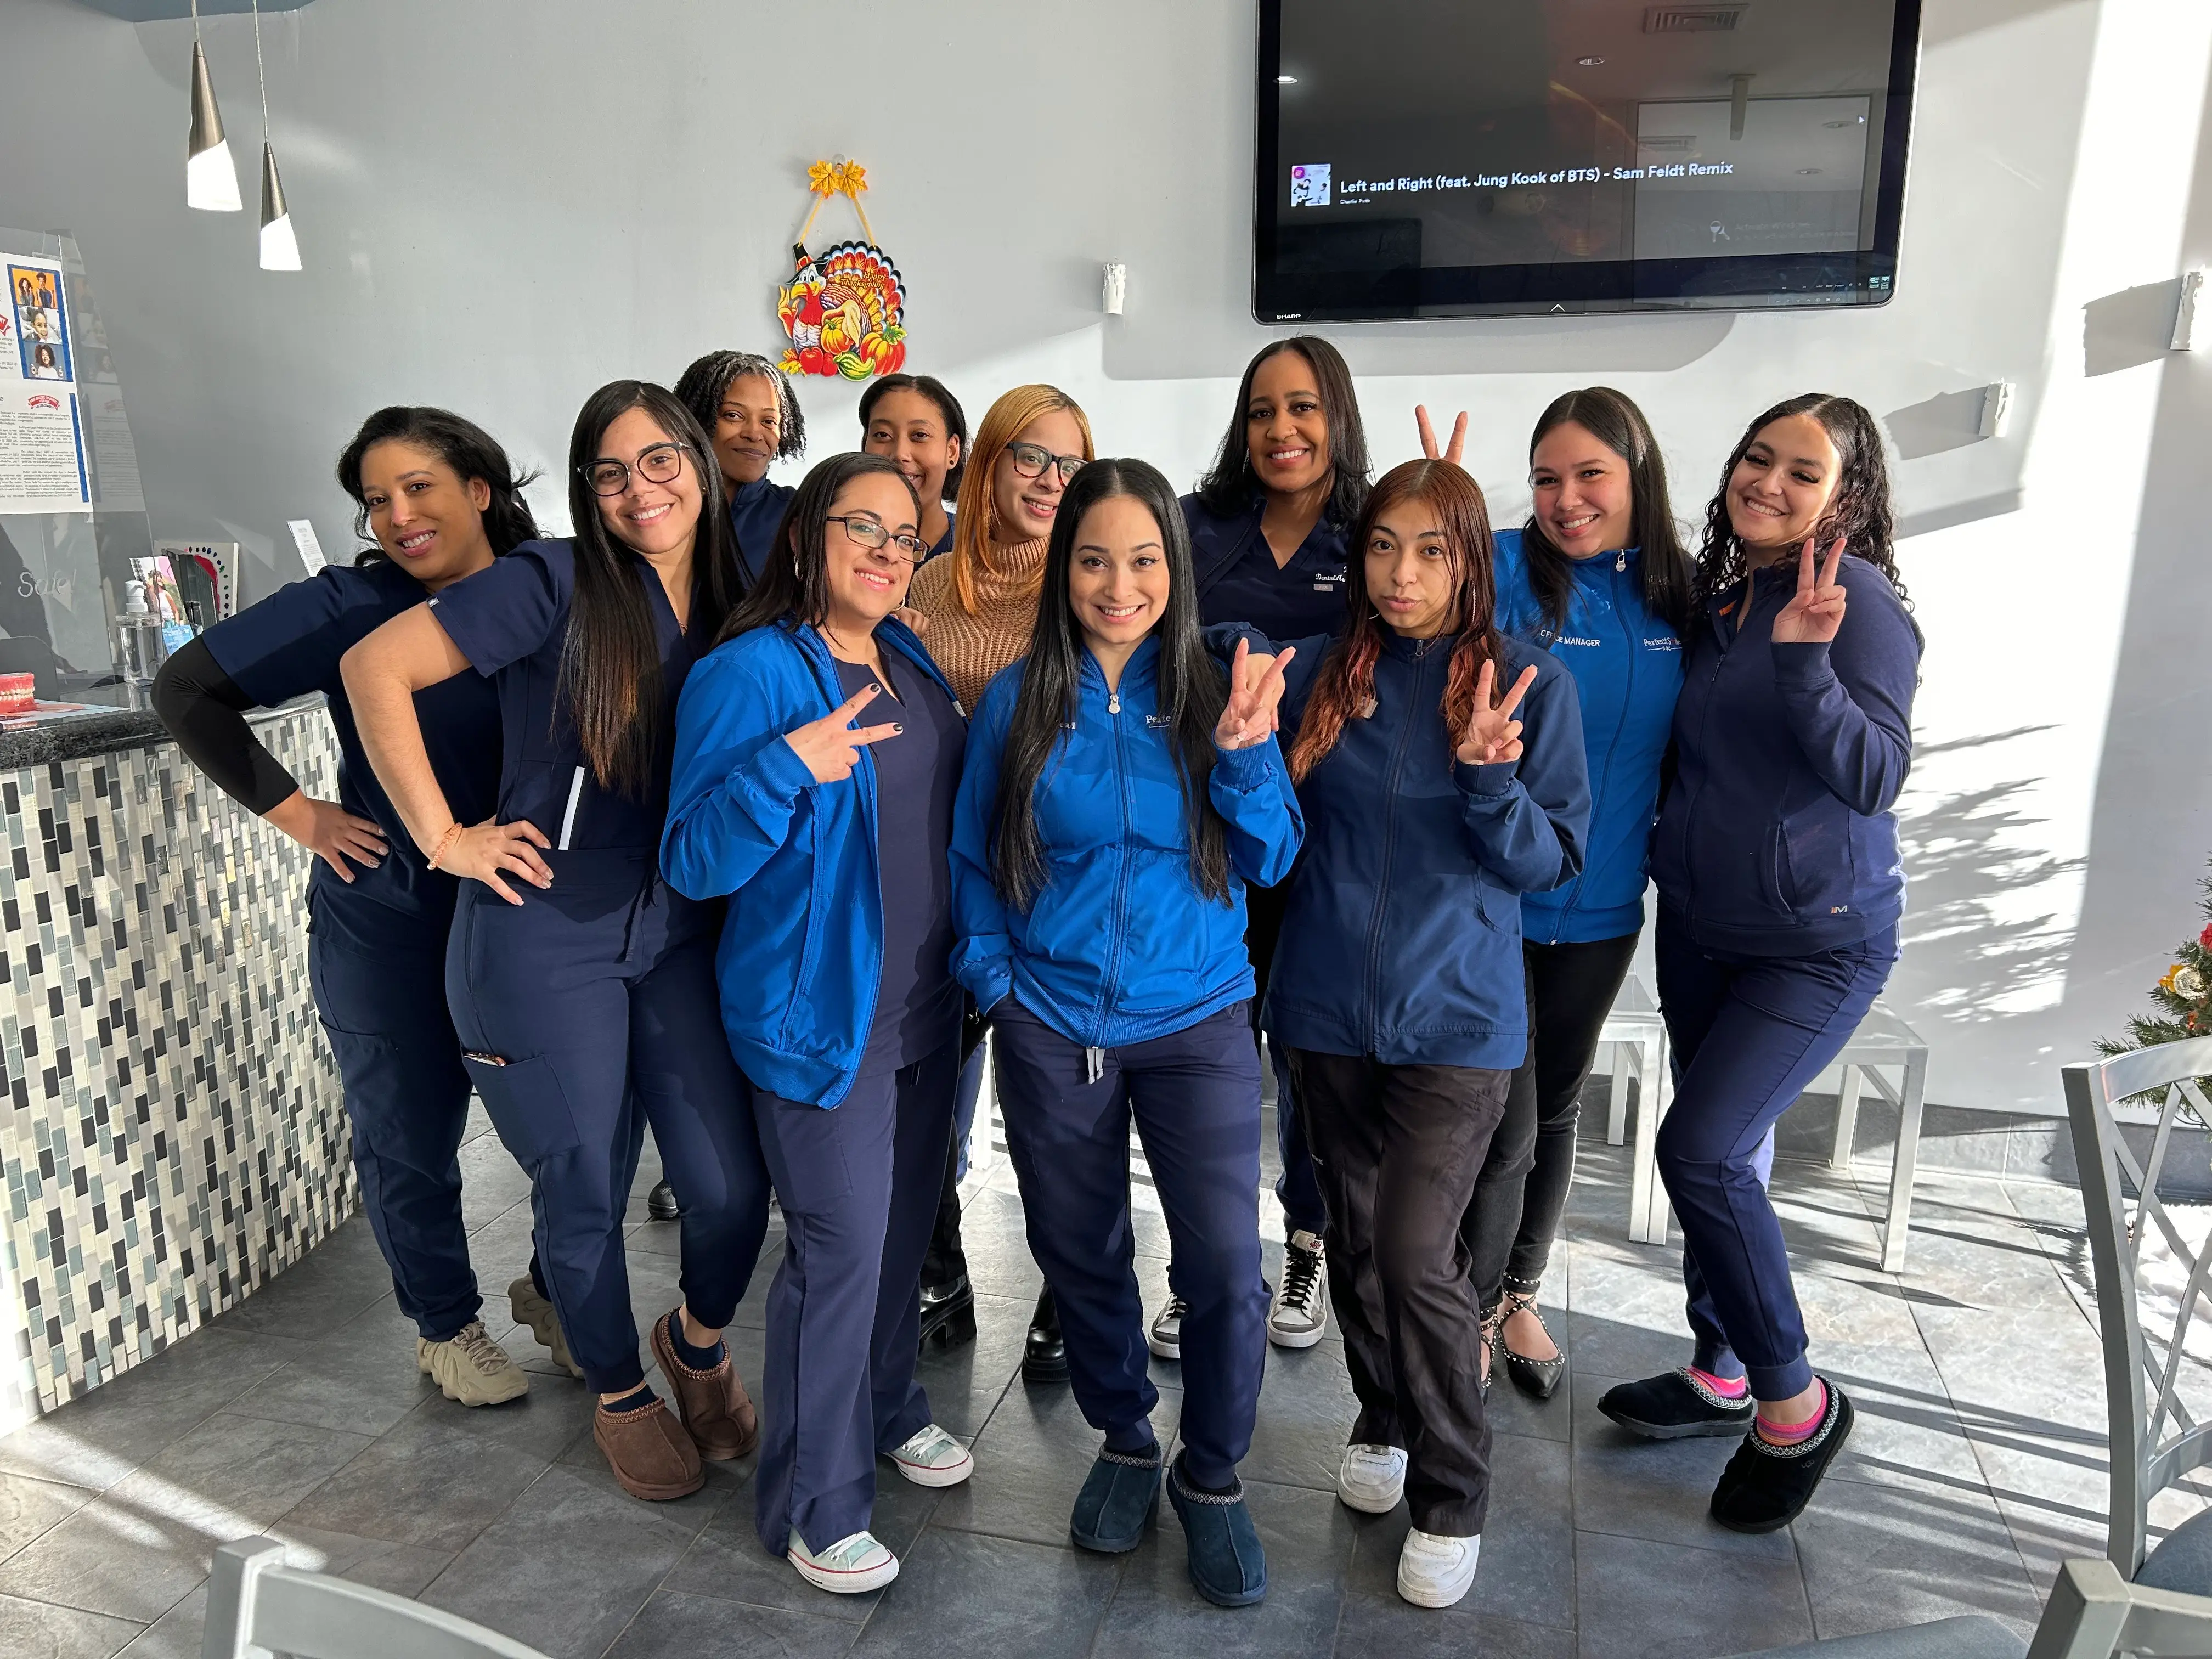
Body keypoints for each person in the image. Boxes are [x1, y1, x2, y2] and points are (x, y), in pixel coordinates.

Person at [341, 381, 772, 1503]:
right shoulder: (554, 579)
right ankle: (621, 1391)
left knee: (727, 1190)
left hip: (676, 925)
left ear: (700, 461)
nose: (640, 489)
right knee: (580, 1184)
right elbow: (372, 669)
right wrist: (443, 838)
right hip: (540, 930)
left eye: (660, 460)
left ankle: (698, 1341)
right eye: (610, 471)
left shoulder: (741, 593)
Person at [951, 458, 1300, 1607]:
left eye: (1143, 559)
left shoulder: (1216, 686)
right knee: (1080, 1250)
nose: (1118, 584)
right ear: (1065, 571)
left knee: (1225, 1271)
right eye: (1094, 559)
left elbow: (1275, 857)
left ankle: (1210, 1476)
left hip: (1196, 1016)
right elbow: (972, 858)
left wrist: (1249, 755)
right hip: (1051, 1022)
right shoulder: (1017, 698)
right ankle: (1124, 1439)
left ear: (1175, 568)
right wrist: (995, 979)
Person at [153, 406, 539, 1408]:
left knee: (569, 1124)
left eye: (419, 487)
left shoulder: (551, 584)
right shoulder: (348, 604)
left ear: (480, 489)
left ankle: (556, 1289)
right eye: (376, 499)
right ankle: (447, 1326)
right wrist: (303, 815)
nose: (398, 515)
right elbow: (184, 687)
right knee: (407, 1128)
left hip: (525, 906)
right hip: (394, 912)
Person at [1264, 457, 1589, 1609]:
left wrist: (1491, 783)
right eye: (1384, 548)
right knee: (1352, 1244)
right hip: (1323, 1011)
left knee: (1415, 1253)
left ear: (1471, 558)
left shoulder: (1524, 686)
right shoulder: (1319, 675)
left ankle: (1455, 1492)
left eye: (1433, 550)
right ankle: (1385, 1414)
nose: (1404, 575)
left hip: (1460, 1019)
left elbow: (1553, 862)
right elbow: (1274, 830)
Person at [1596, 394, 1920, 1536]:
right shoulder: (1718, 601)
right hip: (1701, 928)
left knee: (1704, 1151)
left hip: (1818, 944)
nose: (1768, 482)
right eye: (1755, 457)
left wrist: (1808, 667)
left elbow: (1877, 774)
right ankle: (1719, 1369)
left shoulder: (1858, 603)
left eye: (1803, 470)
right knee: (1734, 1148)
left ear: (1848, 495)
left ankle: (1795, 1400)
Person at [663, 450, 974, 1595]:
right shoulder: (748, 675)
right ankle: (814, 1502)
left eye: (908, 536)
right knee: (839, 1253)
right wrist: (786, 767)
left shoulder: (905, 655)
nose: (890, 553)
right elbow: (694, 860)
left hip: (930, 1010)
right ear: (807, 537)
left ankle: (890, 1407)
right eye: (866, 529)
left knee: (901, 1237)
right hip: (816, 1017)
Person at [1422, 390, 1694, 1401]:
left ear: (1636, 477)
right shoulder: (1496, 565)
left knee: (1556, 1105)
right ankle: (1468, 1305)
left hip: (1605, 903)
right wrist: (1442, 501)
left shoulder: (1678, 597)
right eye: (1545, 477)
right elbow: (1411, 586)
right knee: (1505, 1119)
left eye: (1590, 476)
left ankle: (1516, 1291)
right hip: (1492, 896)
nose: (1566, 499)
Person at [1152, 336, 1374, 1364]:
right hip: (1208, 833)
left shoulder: (1373, 532)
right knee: (1208, 1052)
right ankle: (1200, 1266)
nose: (1281, 430)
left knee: (1307, 1058)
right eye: (1260, 411)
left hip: (1326, 836)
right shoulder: (1197, 529)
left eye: (1302, 408)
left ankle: (1307, 1236)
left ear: (1337, 415)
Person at [906, 382, 1094, 1381]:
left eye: (1069, 464)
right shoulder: (924, 582)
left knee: (1052, 1113)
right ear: (987, 460)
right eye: (1031, 455)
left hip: (1051, 891)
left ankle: (1070, 1290)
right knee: (924, 1096)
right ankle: (939, 1272)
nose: (1049, 481)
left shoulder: (1091, 590)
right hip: (934, 879)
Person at [674, 348, 805, 584]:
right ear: (697, 419)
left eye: (769, 421)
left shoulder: (797, 513)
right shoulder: (665, 505)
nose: (755, 434)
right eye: (733, 415)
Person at [861, 373, 965, 560]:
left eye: (920, 435)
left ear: (952, 451)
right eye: (882, 435)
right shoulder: (839, 540)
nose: (900, 454)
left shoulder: (983, 549)